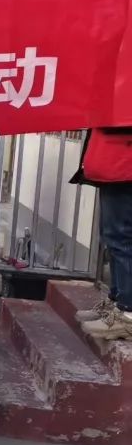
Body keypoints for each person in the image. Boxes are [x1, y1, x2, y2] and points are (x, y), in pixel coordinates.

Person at [73, 128, 132, 340]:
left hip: (124, 166)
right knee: (112, 238)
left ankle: (127, 313)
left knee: (121, 239)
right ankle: (116, 303)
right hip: (115, 164)